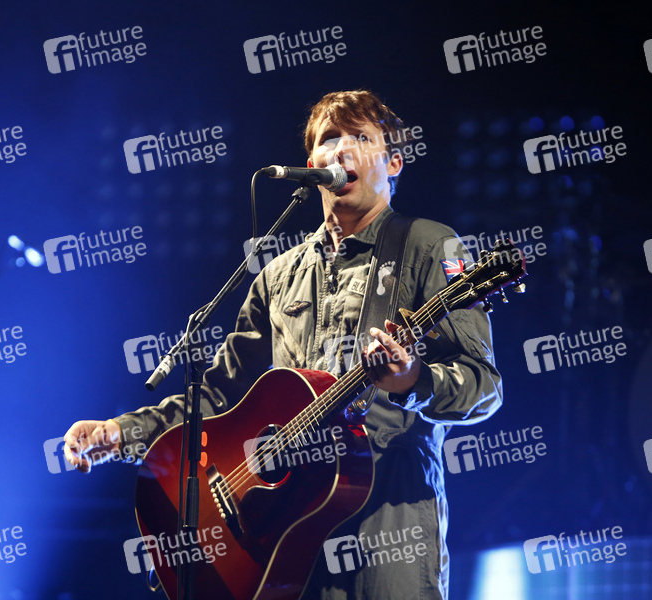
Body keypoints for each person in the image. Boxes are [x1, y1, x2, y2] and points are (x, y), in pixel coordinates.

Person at [63, 90, 502, 600]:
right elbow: (218, 399)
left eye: (361, 138)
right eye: (330, 139)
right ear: (311, 166)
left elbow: (484, 387)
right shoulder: (277, 276)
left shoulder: (429, 244)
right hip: (281, 535)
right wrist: (120, 432)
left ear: (394, 164)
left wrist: (412, 380)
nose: (343, 149)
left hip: (388, 529)